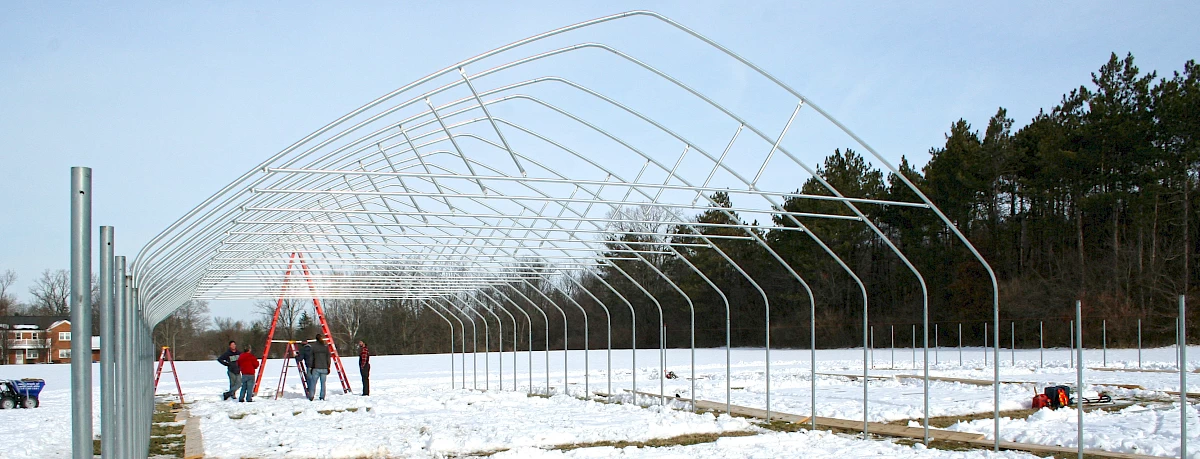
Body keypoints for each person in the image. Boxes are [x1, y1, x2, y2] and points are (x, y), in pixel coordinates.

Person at [309, 334, 331, 401]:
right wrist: (328, 366)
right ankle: (322, 396)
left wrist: (310, 366)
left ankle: (311, 395)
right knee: (323, 383)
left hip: (316, 367)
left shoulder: (313, 347)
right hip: (324, 367)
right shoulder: (325, 346)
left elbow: (311, 358)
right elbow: (328, 358)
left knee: (313, 383)